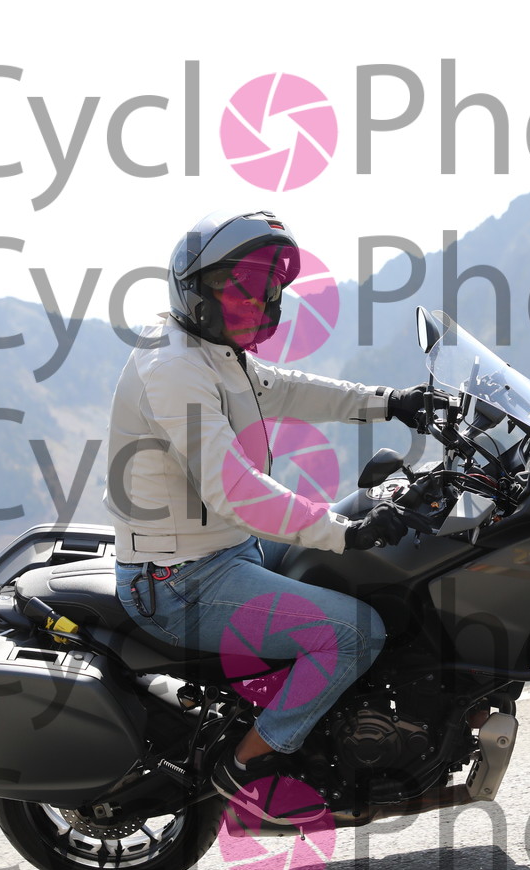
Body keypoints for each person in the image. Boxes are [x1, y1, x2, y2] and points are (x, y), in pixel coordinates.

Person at [103, 208, 442, 822]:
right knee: (353, 632)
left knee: (369, 560)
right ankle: (246, 771)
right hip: (180, 581)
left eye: (265, 289)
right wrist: (344, 533)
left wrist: (392, 403)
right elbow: (234, 490)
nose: (257, 303)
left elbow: (283, 388)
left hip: (226, 550)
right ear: (196, 288)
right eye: (241, 288)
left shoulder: (211, 350)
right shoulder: (173, 366)